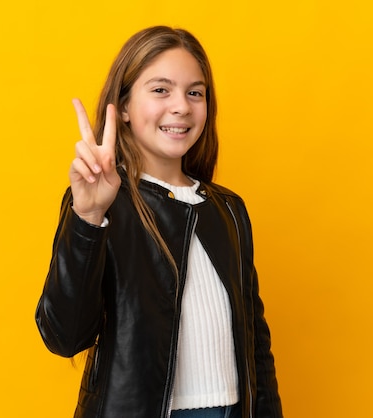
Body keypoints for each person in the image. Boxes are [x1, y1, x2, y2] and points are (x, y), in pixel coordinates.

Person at [35, 25, 284, 418]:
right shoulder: (102, 204)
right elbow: (63, 336)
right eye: (160, 90)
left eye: (195, 92)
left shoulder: (228, 210)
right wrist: (87, 219)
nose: (182, 106)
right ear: (126, 107)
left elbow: (257, 346)